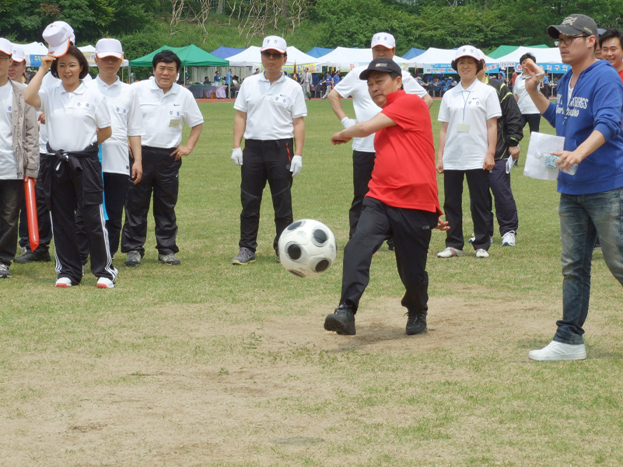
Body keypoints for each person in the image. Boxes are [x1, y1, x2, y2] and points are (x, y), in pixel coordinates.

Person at [522, 15, 623, 361]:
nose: (562, 43)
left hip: (606, 186)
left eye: (569, 37)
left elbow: (609, 122)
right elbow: (560, 120)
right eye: (558, 38)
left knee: (618, 261)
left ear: (590, 41)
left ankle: (569, 338)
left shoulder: (605, 76)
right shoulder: (567, 79)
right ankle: (568, 339)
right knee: (573, 266)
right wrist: (534, 92)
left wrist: (578, 153)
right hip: (571, 188)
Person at [324, 58, 448, 336]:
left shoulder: (410, 103)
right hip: (379, 197)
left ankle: (417, 309)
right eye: (369, 84)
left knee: (412, 271)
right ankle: (346, 309)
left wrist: (343, 132)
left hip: (414, 202)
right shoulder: (390, 114)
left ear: (398, 81)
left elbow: (364, 128)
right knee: (357, 246)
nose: (373, 88)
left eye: (379, 81)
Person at [25, 35, 116, 288]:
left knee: (92, 218)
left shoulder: (93, 94)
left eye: (72, 65)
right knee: (61, 218)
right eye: (61, 65)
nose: (67, 70)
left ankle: (104, 272)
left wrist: (85, 147)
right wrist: (42, 69)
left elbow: (106, 131)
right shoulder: (50, 92)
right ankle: (68, 271)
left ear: (82, 68)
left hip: (85, 163)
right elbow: (28, 97)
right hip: (56, 163)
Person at [327, 32, 433, 244]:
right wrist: (347, 123)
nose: (381, 53)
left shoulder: (400, 76)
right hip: (363, 146)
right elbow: (333, 95)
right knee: (362, 195)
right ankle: (357, 237)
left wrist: (402, 122)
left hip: (394, 148)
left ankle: (395, 239)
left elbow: (426, 99)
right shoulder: (359, 74)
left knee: (396, 194)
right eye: (377, 50)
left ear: (394, 52)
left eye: (385, 50)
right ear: (371, 51)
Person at [121, 50, 204, 267]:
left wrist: (188, 146)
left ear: (177, 73)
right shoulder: (137, 89)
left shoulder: (184, 95)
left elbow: (197, 123)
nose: (165, 73)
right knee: (135, 204)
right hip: (139, 155)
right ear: (154, 69)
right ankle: (133, 249)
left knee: (166, 205)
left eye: (170, 69)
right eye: (161, 68)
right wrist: (125, 139)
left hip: (169, 156)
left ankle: (167, 249)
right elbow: (119, 113)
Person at [230, 35, 306, 264]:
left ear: (284, 58)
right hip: (252, 148)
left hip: (281, 147)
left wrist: (299, 154)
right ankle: (247, 248)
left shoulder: (293, 87)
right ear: (261, 56)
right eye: (267, 54)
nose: (271, 58)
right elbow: (240, 116)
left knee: (282, 201)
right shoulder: (249, 84)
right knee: (250, 200)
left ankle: (283, 248)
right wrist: (236, 146)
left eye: (276, 55)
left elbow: (299, 122)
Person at [75, 38, 143, 264]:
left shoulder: (129, 91)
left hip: (118, 162)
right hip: (88, 161)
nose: (110, 63)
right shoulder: (84, 87)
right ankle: (81, 257)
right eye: (105, 59)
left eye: (114, 59)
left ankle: (107, 257)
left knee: (114, 214)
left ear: (121, 59)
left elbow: (134, 128)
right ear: (95, 60)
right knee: (85, 212)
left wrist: (138, 161)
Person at [436, 45, 501, 259]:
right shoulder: (449, 95)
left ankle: (482, 243)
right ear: (456, 67)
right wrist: (440, 156)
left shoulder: (488, 92)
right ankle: (454, 244)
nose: (465, 66)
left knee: (480, 202)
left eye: (470, 63)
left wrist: (490, 153)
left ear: (479, 67)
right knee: (452, 203)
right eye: (461, 63)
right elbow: (444, 127)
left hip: (477, 155)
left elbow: (492, 125)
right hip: (453, 156)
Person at [476, 50, 523, 247]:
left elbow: (513, 115)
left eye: (475, 64)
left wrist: (513, 142)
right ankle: (483, 232)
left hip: (500, 152)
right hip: (474, 153)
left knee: (501, 191)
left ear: (484, 66)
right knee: (479, 196)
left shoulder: (498, 87)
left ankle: (509, 231)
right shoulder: (461, 90)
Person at [0, 39, 38, 279]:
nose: (1, 63)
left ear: (9, 61)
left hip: (13, 165)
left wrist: (31, 166)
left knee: (9, 217)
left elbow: (31, 132)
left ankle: (3, 260)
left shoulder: (21, 92)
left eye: (3, 59)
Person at [514, 53, 542, 138]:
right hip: (521, 110)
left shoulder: (536, 76)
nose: (525, 64)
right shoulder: (518, 78)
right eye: (523, 62)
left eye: (528, 62)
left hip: (534, 110)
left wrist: (532, 66)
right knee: (514, 133)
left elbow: (541, 73)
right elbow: (516, 95)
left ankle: (535, 151)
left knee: (534, 136)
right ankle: (512, 150)